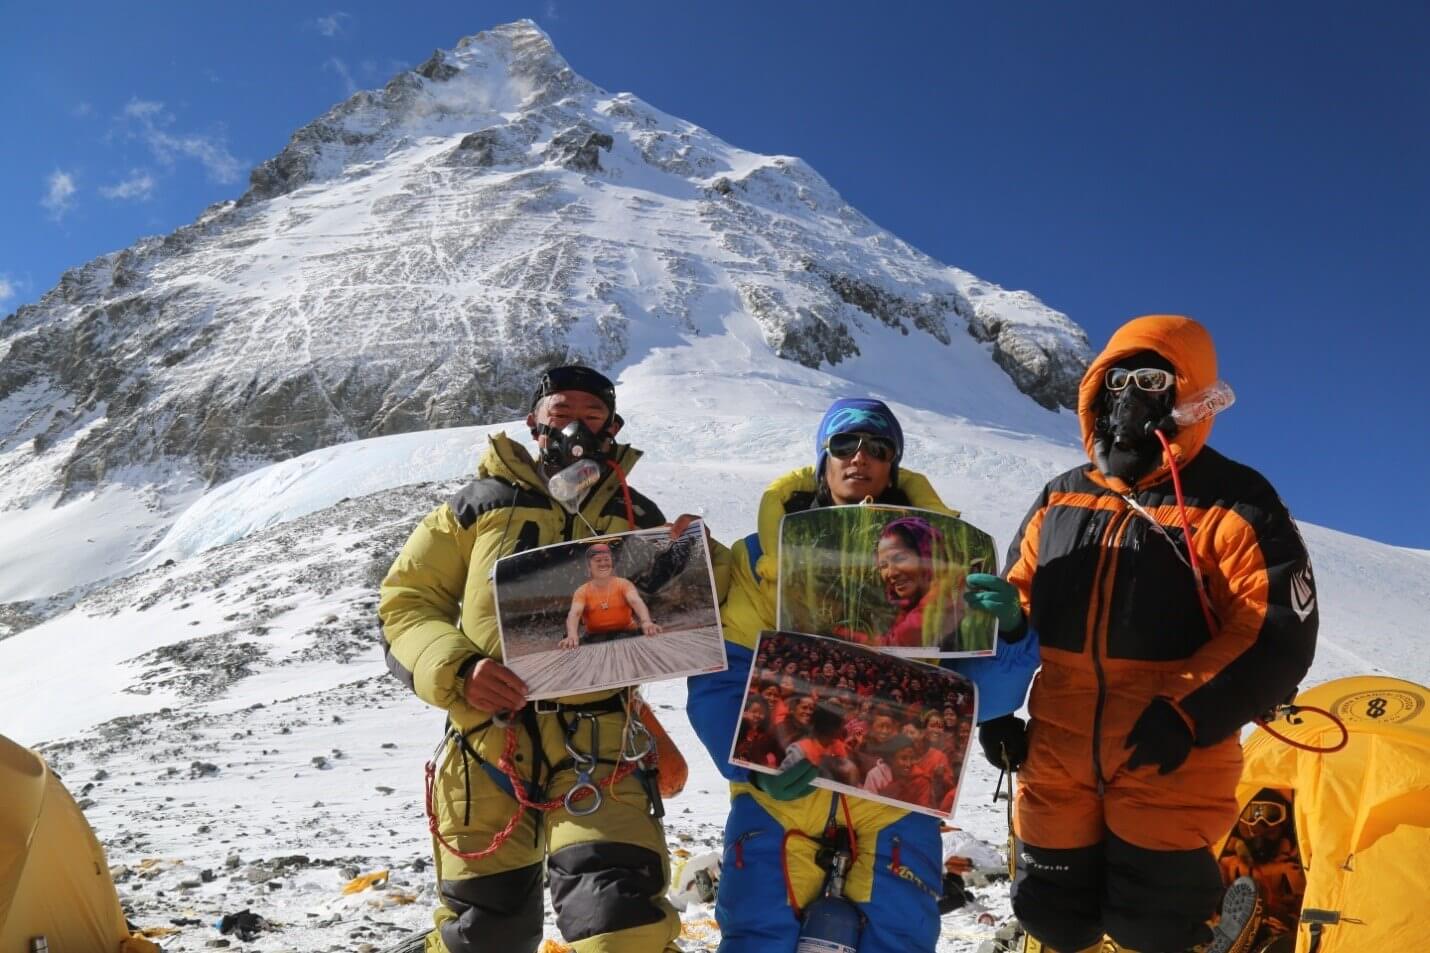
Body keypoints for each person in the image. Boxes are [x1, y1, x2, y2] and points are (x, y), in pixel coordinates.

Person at [965, 316, 1318, 953]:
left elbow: (1274, 631)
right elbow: (1011, 606)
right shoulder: (1061, 498)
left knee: (1155, 928)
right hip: (1055, 756)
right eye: (1117, 378)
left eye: (1152, 378)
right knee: (1053, 918)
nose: (1129, 394)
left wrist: (1188, 713)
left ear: (1188, 392)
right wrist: (995, 711)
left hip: (1171, 755)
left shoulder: (1237, 500)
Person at [380, 365, 718, 953]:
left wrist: (702, 561)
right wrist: (459, 670)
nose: (575, 430)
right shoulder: (478, 506)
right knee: (483, 935)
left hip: (603, 746)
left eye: (592, 416)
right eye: (561, 414)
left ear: (613, 428)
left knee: (621, 925)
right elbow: (407, 602)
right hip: (487, 744)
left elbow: (690, 618)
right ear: (534, 423)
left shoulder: (638, 516)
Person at [687, 397, 1042, 953]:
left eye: (878, 448)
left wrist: (1014, 636)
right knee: (758, 940)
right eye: (844, 445)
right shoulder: (762, 558)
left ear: (894, 464)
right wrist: (754, 767)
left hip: (898, 803)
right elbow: (724, 676)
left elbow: (980, 700)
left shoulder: (948, 566)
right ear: (822, 458)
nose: (860, 457)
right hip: (781, 798)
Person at [873, 517, 965, 650]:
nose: (891, 573)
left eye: (899, 558)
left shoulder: (950, 590)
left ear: (927, 554)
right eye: (883, 565)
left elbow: (894, 645)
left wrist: (835, 630)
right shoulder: (912, 601)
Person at [560, 542, 662, 648]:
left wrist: (646, 621)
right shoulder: (582, 591)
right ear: (589, 567)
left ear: (612, 564)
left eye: (606, 560)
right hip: (595, 637)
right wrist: (572, 634)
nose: (603, 563)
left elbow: (635, 601)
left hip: (627, 632)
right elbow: (575, 613)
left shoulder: (624, 584)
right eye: (598, 560)